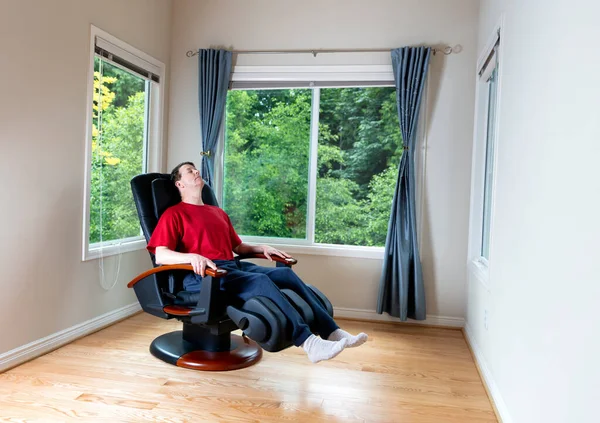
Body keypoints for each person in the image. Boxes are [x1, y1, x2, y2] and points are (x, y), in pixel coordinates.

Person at [147, 161, 367, 363]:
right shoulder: (174, 214)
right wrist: (192, 256)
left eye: (196, 168)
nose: (196, 171)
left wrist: (261, 248)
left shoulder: (217, 212)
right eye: (189, 170)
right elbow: (161, 255)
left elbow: (237, 248)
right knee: (259, 281)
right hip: (204, 276)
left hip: (230, 267)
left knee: (285, 275)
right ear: (179, 184)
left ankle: (332, 331)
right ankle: (309, 343)